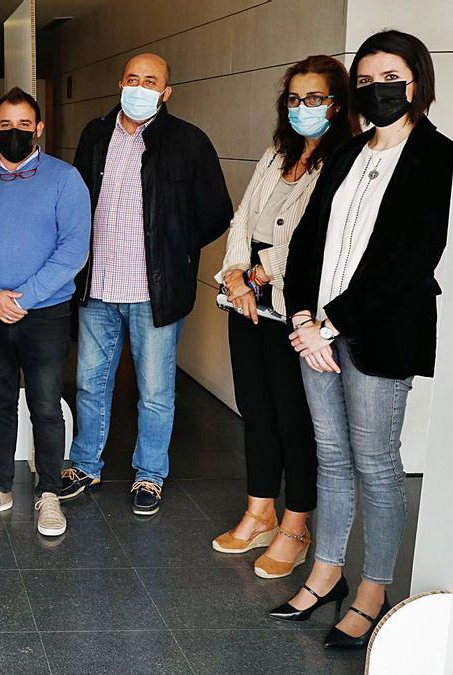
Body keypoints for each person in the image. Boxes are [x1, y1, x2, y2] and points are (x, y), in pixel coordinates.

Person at [272, 30, 452, 651]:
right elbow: (307, 243)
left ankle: (373, 591)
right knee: (331, 457)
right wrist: (301, 318)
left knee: (376, 464)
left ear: (417, 81)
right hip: (313, 332)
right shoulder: (346, 154)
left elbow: (407, 259)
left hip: (374, 335)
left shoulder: (437, 157)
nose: (378, 90)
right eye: (367, 81)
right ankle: (327, 572)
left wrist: (331, 323)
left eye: (390, 77)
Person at [60, 53, 233, 515]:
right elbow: (79, 203)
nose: (140, 87)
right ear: (120, 83)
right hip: (97, 286)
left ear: (166, 91)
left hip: (154, 290)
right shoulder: (96, 135)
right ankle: (84, 464)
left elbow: (216, 211)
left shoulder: (188, 142)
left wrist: (176, 247)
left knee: (155, 390)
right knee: (90, 384)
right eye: (133, 79)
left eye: (150, 80)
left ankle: (149, 474)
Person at [210, 56, 355, 579]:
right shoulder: (277, 153)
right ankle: (259, 512)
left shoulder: (344, 158)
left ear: (337, 103)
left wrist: (257, 274)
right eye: (294, 98)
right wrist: (232, 275)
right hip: (248, 303)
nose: (303, 108)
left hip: (297, 308)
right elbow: (243, 218)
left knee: (296, 421)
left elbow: (313, 235)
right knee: (257, 412)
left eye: (315, 98)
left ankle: (296, 526)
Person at [0, 87, 91, 537]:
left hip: (45, 313)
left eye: (24, 125)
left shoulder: (66, 179)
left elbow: (73, 251)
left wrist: (23, 297)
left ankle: (49, 494)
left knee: (47, 405)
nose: (14, 132)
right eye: (5, 125)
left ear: (39, 130)